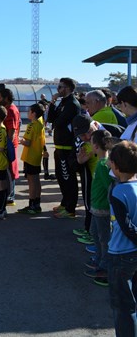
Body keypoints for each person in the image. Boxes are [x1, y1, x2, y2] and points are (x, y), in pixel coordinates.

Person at [107, 140, 137, 335]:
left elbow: (126, 227)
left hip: (120, 253)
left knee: (122, 306)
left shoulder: (118, 191)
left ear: (116, 167)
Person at [47, 77, 81, 219]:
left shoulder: (72, 104)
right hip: (59, 146)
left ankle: (70, 208)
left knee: (68, 178)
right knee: (61, 177)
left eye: (60, 87)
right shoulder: (63, 102)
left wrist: (55, 120)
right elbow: (50, 119)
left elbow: (59, 123)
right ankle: (65, 202)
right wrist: (53, 102)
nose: (58, 89)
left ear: (67, 88)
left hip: (67, 147)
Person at [85, 129, 114, 287]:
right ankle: (98, 260)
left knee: (103, 239)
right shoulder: (102, 163)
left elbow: (108, 187)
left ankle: (104, 267)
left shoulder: (103, 165)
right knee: (96, 234)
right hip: (96, 207)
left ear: (95, 146)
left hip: (102, 209)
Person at [17, 103, 46, 214]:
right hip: (37, 155)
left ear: (33, 113)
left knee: (31, 181)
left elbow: (27, 142)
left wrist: (20, 140)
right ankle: (37, 203)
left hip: (30, 156)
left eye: (29, 111)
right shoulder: (40, 123)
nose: (27, 113)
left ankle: (32, 205)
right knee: (36, 180)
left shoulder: (31, 125)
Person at [0, 88, 20, 205]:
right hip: (9, 144)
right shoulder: (10, 108)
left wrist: (7, 146)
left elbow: (12, 130)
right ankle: (6, 194)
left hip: (9, 146)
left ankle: (10, 196)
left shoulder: (10, 110)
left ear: (6, 98)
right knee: (7, 171)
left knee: (9, 171)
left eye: (0, 97)